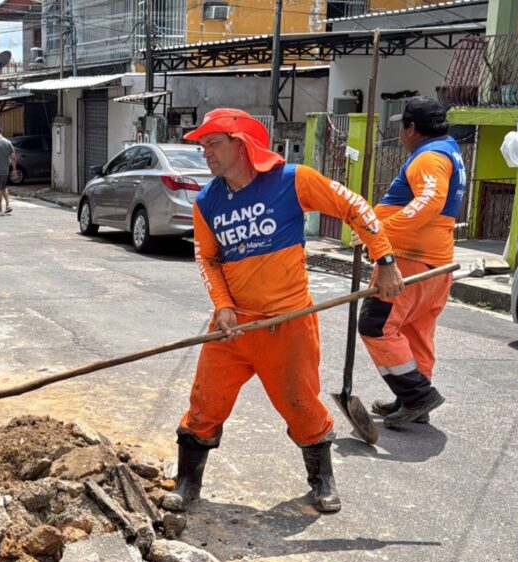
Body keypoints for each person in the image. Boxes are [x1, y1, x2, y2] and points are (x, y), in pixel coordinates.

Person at [164, 109, 404, 514]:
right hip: (234, 328)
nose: (206, 153)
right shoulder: (207, 202)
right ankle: (187, 482)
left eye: (213, 144)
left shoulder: (293, 180)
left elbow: (355, 207)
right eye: (203, 146)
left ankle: (322, 481)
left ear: (240, 144)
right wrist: (223, 305)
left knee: (301, 403)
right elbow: (208, 259)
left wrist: (385, 259)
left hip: (288, 323)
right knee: (205, 402)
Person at [360, 97, 466, 429]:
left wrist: (380, 231)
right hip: (433, 261)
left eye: (402, 127)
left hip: (409, 260)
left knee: (376, 325)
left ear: (411, 128)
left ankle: (418, 394)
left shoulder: (429, 157)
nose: (402, 134)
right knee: (414, 330)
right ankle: (412, 400)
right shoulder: (448, 152)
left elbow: (430, 201)